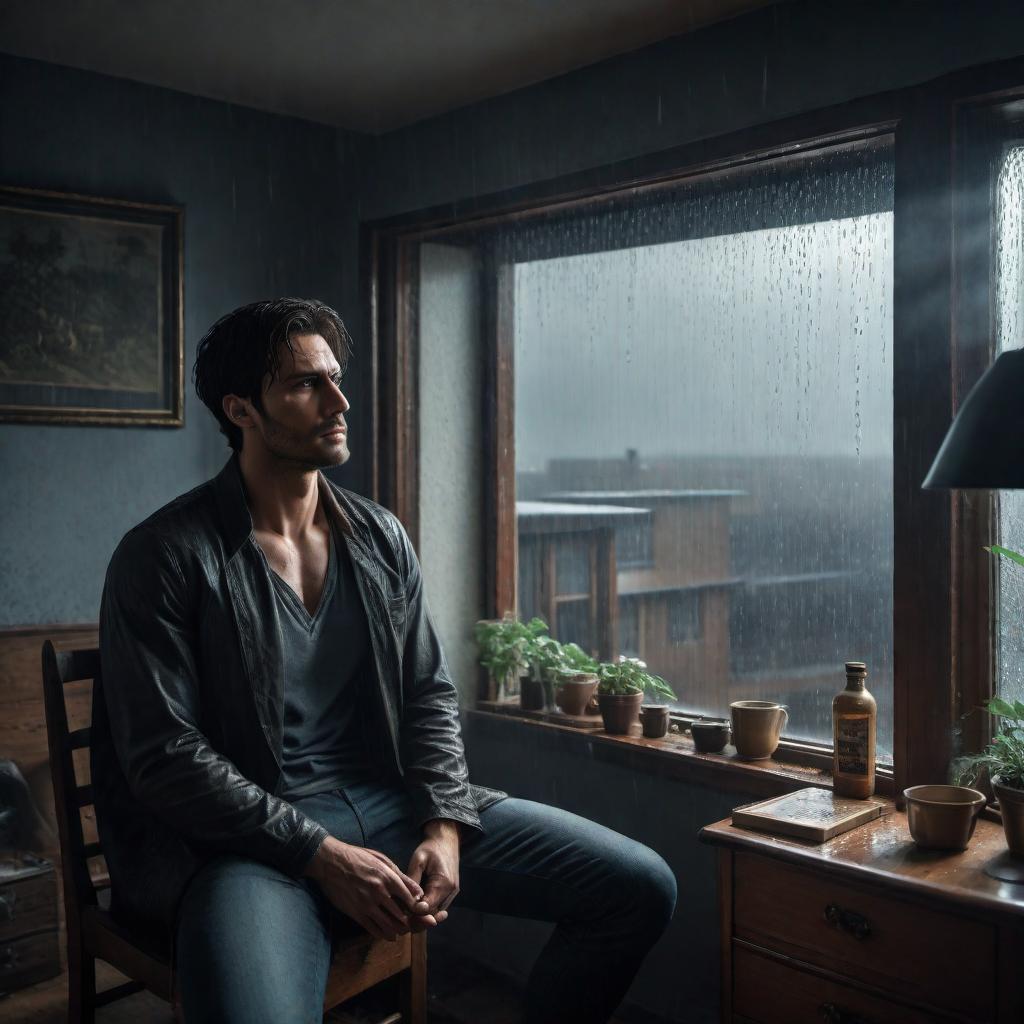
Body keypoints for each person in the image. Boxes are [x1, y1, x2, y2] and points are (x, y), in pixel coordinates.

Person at [92, 297, 677, 1024]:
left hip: (392, 806)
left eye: (335, 377)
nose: (339, 402)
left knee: (639, 886)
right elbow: (165, 757)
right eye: (307, 385)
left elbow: (428, 692)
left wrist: (442, 825)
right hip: (251, 844)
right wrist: (321, 855)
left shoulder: (379, 536)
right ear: (241, 410)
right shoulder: (165, 554)